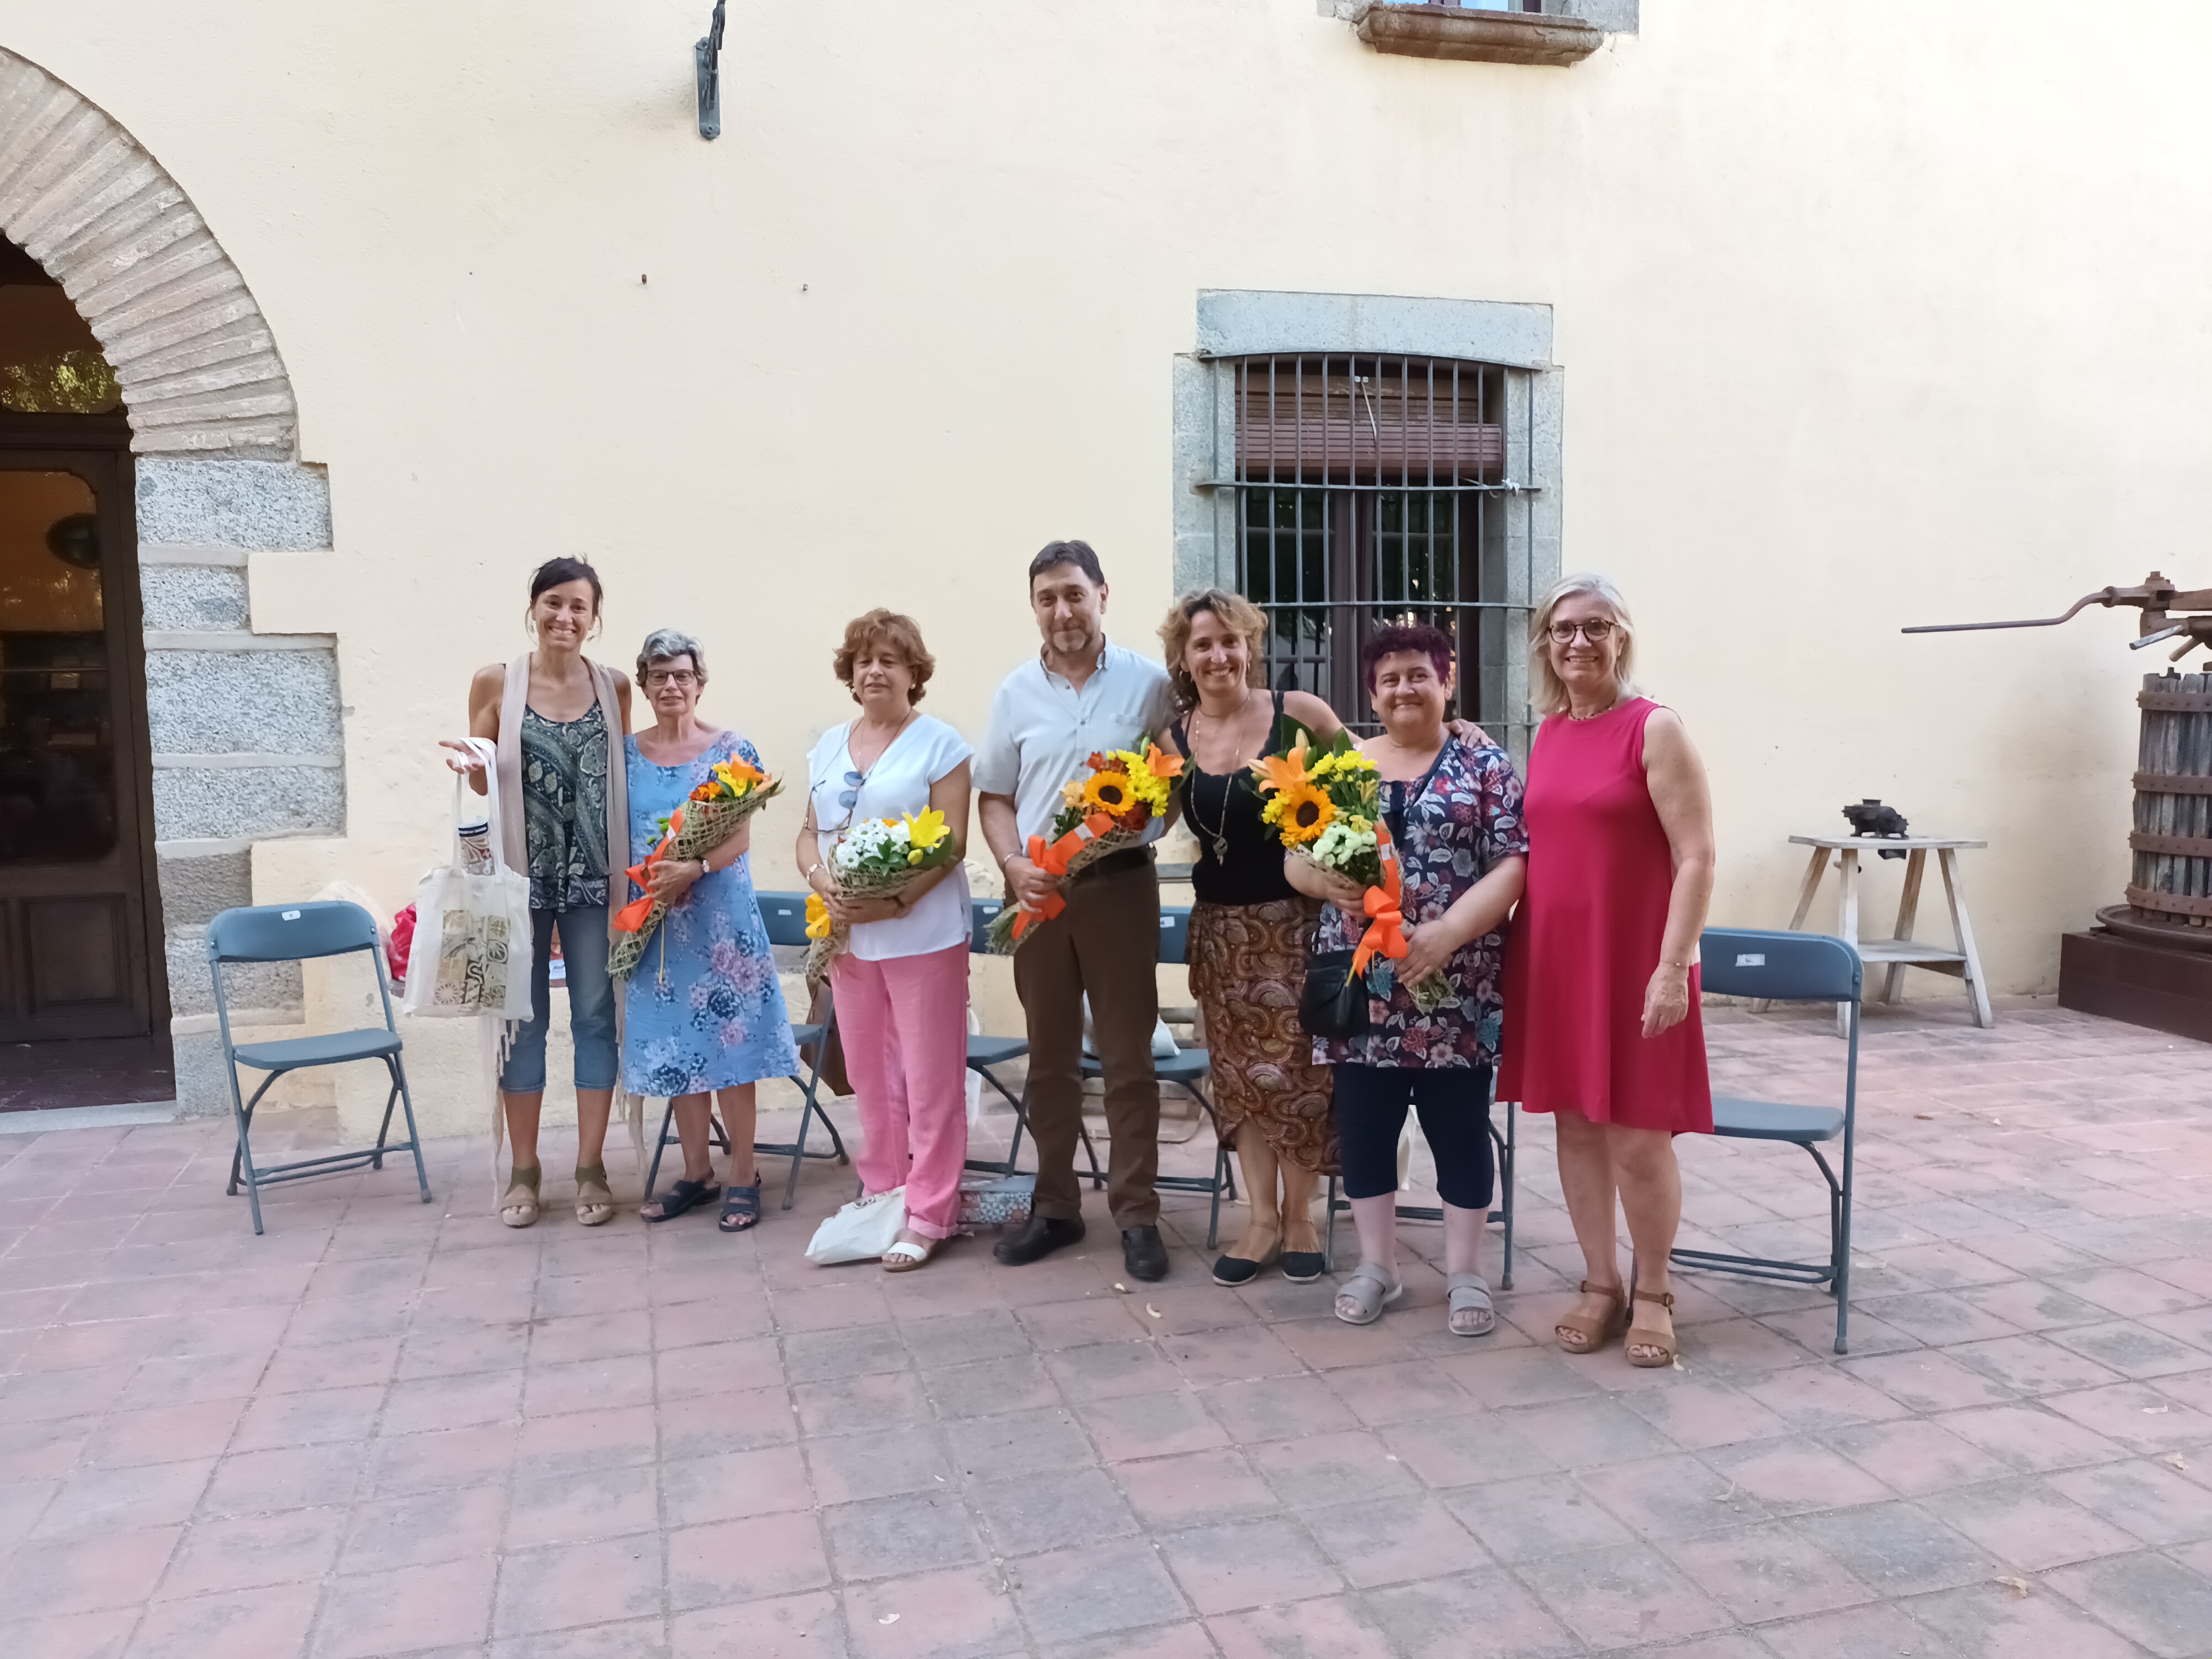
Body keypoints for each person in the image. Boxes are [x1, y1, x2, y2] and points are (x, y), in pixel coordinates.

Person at [1500, 574, 1715, 1369]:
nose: (1577, 642)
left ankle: (1653, 1288)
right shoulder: (1550, 731)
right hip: (1558, 960)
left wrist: (1671, 967)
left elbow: (1697, 856)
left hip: (1638, 961)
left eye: (1595, 627)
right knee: (1575, 1126)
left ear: (1621, 637)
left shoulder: (1654, 729)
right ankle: (1600, 1284)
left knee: (1637, 1136)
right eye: (1562, 630)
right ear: (1546, 645)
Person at [1288, 624, 1527, 1334]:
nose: (1403, 689)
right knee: (1365, 1128)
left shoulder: (1484, 766)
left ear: (1446, 682)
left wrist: (1450, 931)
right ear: (1371, 692)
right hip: (1363, 983)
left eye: (1418, 675)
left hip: (1456, 982)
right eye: (1389, 678)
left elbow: (1514, 862)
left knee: (1457, 1128)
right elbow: (1293, 857)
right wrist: (1316, 877)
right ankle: (1377, 1267)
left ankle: (1465, 1272)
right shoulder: (1346, 768)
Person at [977, 541, 1177, 1282]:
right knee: (1051, 1059)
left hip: (1121, 887)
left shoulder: (1150, 685)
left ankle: (1137, 1214)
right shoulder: (1013, 694)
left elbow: (1173, 780)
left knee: (1128, 1060)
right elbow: (994, 795)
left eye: (1073, 594)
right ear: (1034, 607)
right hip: (1036, 895)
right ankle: (1055, 1207)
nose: (1062, 611)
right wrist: (1012, 864)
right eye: (1047, 598)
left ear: (1102, 595)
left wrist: (1144, 823)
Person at [1156, 589, 1344, 1286]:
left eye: (1229, 641)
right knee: (1240, 1081)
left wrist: (1455, 736)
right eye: (1202, 645)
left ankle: (1302, 1218)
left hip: (1296, 930)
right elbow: (1134, 819)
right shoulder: (1174, 742)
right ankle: (1260, 1217)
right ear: (1184, 658)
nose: (1217, 656)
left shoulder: (1300, 715)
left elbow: (1365, 783)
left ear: (1249, 647)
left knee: (1299, 1076)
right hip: (1220, 938)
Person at [444, 557, 631, 1229]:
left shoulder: (614, 687)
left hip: (595, 882)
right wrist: (472, 763)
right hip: (519, 885)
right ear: (534, 608)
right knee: (520, 1024)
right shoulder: (497, 681)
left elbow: (623, 777)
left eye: (579, 607)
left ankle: (590, 1165)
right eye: (554, 603)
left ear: (593, 617)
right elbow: (480, 781)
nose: (565, 618)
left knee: (595, 1019)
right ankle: (525, 1170)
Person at [797, 611, 974, 1271]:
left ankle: (931, 1211)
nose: (875, 670)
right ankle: (883, 1191)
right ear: (851, 672)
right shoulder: (826, 747)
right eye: (865, 660)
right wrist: (824, 883)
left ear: (913, 674)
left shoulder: (941, 744)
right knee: (871, 1075)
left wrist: (894, 898)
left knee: (928, 1077)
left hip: (921, 933)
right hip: (849, 937)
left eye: (890, 661)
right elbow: (807, 834)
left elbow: (953, 843)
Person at [619, 629, 801, 1233]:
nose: (671, 685)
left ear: (699, 683)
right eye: (658, 676)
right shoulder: (624, 754)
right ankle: (696, 1174)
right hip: (660, 926)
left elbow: (740, 836)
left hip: (720, 923)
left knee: (731, 1052)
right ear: (643, 685)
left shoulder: (731, 749)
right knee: (677, 1050)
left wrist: (692, 868)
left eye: (682, 676)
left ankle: (743, 1174)